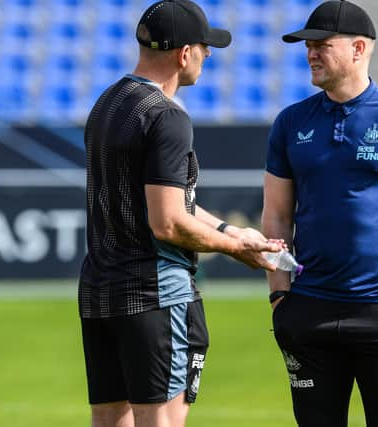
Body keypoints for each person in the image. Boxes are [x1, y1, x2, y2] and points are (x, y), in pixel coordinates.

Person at [78, 1, 283, 426]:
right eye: (205, 48)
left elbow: (168, 201)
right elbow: (168, 221)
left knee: (110, 419)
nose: (209, 56)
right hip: (155, 296)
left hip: (100, 292)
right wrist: (235, 249)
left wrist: (232, 230)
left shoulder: (107, 102)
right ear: (184, 53)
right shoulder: (168, 116)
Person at [262, 1, 378, 426]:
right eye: (307, 45)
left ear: (359, 48)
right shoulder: (290, 123)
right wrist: (279, 296)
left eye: (322, 44)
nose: (310, 53)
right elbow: (275, 216)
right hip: (308, 310)